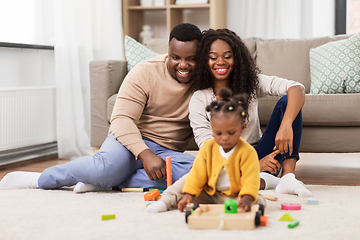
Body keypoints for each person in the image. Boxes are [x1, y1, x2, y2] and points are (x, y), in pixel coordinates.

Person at [0, 23, 203, 192]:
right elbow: (121, 119)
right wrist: (145, 154)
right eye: (176, 57)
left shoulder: (206, 80)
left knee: (201, 173)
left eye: (191, 59)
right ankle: (40, 179)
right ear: (168, 52)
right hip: (130, 140)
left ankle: (103, 181)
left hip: (168, 151)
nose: (183, 65)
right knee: (106, 167)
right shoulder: (146, 71)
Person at [147, 28, 311, 213]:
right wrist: (255, 165)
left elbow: (296, 87)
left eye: (227, 56)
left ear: (237, 58)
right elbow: (210, 149)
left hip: (259, 151)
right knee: (217, 181)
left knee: (288, 102)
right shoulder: (199, 98)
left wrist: (286, 124)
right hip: (228, 161)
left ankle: (288, 176)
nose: (220, 62)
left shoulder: (251, 83)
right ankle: (267, 180)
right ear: (204, 61)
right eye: (213, 57)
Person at [150, 88, 262, 213]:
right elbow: (198, 173)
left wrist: (246, 198)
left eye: (231, 133)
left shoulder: (248, 152)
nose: (224, 138)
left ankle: (247, 201)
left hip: (234, 195)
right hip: (209, 193)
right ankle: (165, 201)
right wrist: (189, 194)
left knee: (256, 200)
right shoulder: (208, 147)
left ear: (242, 128)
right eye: (218, 133)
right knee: (185, 181)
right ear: (212, 128)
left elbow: (250, 178)